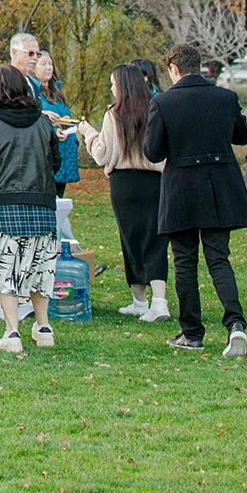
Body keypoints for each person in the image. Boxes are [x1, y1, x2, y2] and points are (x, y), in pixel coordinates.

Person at [143, 43, 247, 356]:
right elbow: (242, 135)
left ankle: (192, 333)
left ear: (173, 69)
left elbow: (153, 151)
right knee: (219, 258)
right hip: (220, 186)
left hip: (182, 189)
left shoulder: (163, 102)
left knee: (185, 262)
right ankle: (235, 324)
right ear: (198, 65)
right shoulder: (225, 97)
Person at [0, 65, 63, 354]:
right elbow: (55, 164)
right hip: (41, 202)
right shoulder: (43, 122)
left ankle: (12, 331)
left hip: (0, 204)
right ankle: (44, 327)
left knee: (6, 268)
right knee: (39, 266)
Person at [79, 66, 169, 322]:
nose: (111, 89)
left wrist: (88, 133)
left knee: (130, 240)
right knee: (156, 240)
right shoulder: (156, 109)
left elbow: (102, 154)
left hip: (124, 183)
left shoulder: (114, 114)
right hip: (154, 181)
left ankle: (140, 300)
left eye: (113, 84)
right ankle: (159, 301)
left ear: (122, 86)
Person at [34, 51, 80, 197]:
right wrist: (53, 130)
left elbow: (64, 116)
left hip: (64, 153)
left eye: (50, 64)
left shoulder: (58, 91)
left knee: (59, 201)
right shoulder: (32, 93)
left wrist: (66, 122)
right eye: (43, 64)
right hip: (45, 155)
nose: (48, 68)